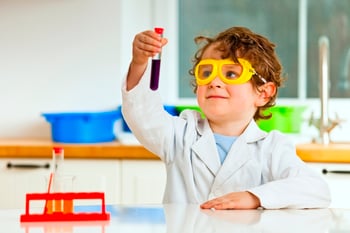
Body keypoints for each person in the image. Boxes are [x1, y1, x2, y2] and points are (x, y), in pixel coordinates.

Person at [121, 26, 331, 209]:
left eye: (230, 74)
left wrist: (254, 197)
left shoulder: (272, 148)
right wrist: (139, 63)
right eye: (206, 73)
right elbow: (142, 115)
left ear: (263, 93)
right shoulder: (180, 135)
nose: (214, 82)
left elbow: (316, 189)